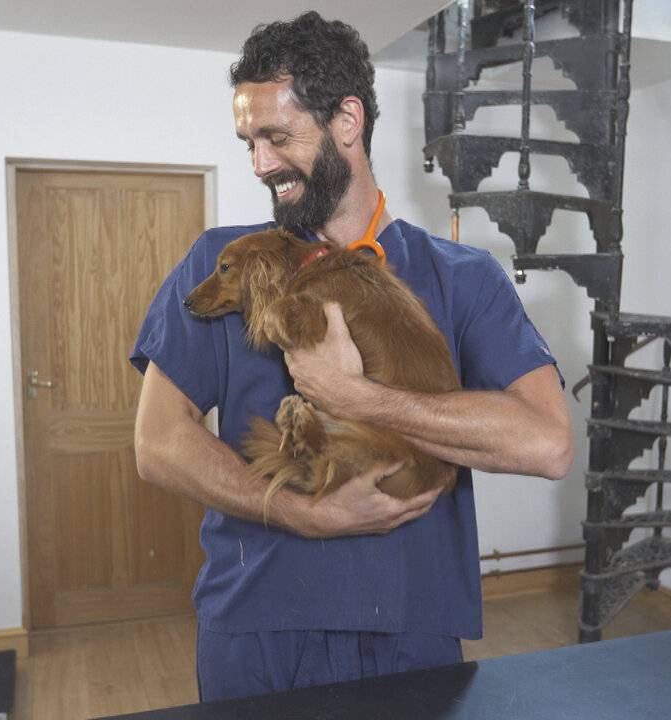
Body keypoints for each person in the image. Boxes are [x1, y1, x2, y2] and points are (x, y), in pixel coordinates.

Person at [131, 11, 573, 703]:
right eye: (249, 143)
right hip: (256, 629)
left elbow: (547, 443)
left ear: (347, 120)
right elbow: (157, 443)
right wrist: (300, 512)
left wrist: (357, 398)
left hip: (412, 632)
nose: (261, 165)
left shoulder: (464, 278)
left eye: (278, 138)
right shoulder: (221, 263)